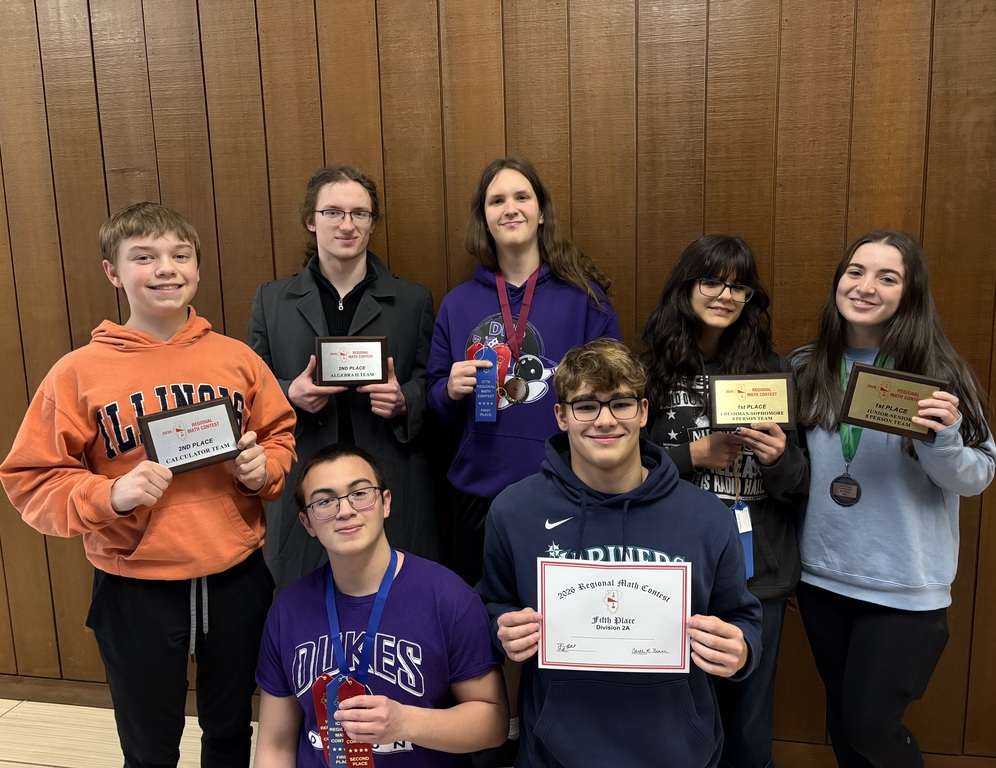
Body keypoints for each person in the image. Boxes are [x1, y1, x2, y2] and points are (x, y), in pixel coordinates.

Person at [0, 202, 297, 767]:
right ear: (113, 272)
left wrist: (267, 471)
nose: (166, 268)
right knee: (149, 746)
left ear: (198, 267)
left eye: (180, 255)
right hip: (134, 586)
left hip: (235, 576)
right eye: (144, 257)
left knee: (232, 729)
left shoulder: (236, 359)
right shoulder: (77, 372)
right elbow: (30, 479)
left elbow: (279, 436)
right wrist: (108, 495)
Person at [477, 338, 763, 767]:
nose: (605, 421)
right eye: (587, 405)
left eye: (621, 404)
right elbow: (489, 608)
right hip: (555, 752)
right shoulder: (514, 511)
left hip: (678, 750)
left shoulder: (705, 517)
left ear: (643, 412)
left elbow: (742, 618)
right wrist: (502, 628)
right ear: (561, 416)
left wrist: (741, 650)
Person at [791, 230, 996, 767]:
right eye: (856, 271)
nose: (865, 286)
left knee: (869, 728)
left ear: (911, 292)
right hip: (822, 580)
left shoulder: (938, 377)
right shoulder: (805, 367)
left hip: (904, 588)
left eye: (888, 277)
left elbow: (976, 477)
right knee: (842, 720)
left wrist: (944, 438)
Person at [641, 234, 808, 767]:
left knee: (748, 720)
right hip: (670, 567)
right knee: (671, 714)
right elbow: (621, 471)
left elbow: (798, 484)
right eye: (712, 281)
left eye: (738, 287)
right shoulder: (646, 371)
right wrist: (695, 455)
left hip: (757, 572)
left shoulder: (773, 370)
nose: (724, 295)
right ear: (685, 288)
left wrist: (780, 456)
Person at [427, 156, 621, 587]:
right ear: (484, 218)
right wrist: (449, 390)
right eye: (496, 200)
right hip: (478, 490)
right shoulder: (457, 303)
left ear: (541, 212)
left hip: (566, 488)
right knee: (480, 630)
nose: (510, 208)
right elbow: (434, 402)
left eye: (521, 197)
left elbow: (616, 391)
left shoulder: (585, 299)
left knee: (559, 628)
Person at [254, 443, 507, 767]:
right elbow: (275, 746)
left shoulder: (448, 597)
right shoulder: (287, 610)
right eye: (325, 501)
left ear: (385, 502)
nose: (345, 510)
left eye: (360, 493)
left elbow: (494, 722)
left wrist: (405, 722)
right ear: (307, 523)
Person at [249, 165, 438, 593]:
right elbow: (250, 391)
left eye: (360, 213)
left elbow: (433, 382)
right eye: (333, 212)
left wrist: (404, 398)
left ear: (372, 224)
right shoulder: (271, 299)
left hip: (391, 473)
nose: (347, 224)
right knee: (303, 601)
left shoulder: (413, 300)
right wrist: (289, 393)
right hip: (303, 474)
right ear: (310, 220)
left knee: (402, 601)